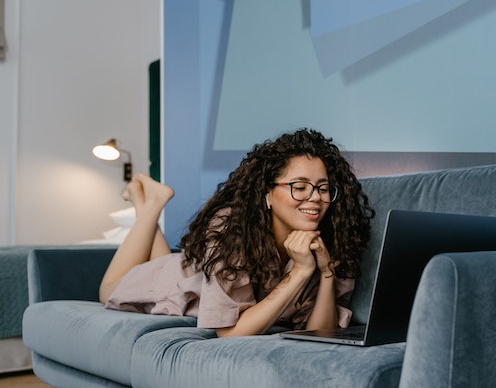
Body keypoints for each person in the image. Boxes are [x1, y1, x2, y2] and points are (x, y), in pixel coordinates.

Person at [99, 128, 375, 337]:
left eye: (323, 188)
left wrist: (326, 274)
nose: (315, 198)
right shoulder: (233, 227)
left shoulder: (332, 238)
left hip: (191, 275)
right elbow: (230, 335)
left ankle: (147, 204)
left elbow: (321, 335)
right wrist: (300, 273)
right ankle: (149, 206)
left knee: (168, 265)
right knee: (108, 290)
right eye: (299, 187)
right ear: (268, 194)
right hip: (173, 281)